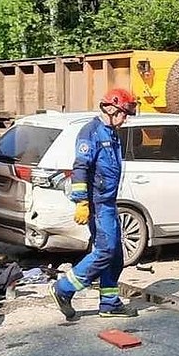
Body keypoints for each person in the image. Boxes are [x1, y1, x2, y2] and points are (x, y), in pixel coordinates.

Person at [49, 88, 139, 320]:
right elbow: (81, 167)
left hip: (108, 203)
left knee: (116, 254)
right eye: (123, 113)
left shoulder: (111, 132)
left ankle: (109, 303)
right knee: (106, 250)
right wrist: (81, 202)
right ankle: (64, 288)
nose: (125, 118)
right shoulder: (90, 132)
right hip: (97, 204)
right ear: (110, 109)